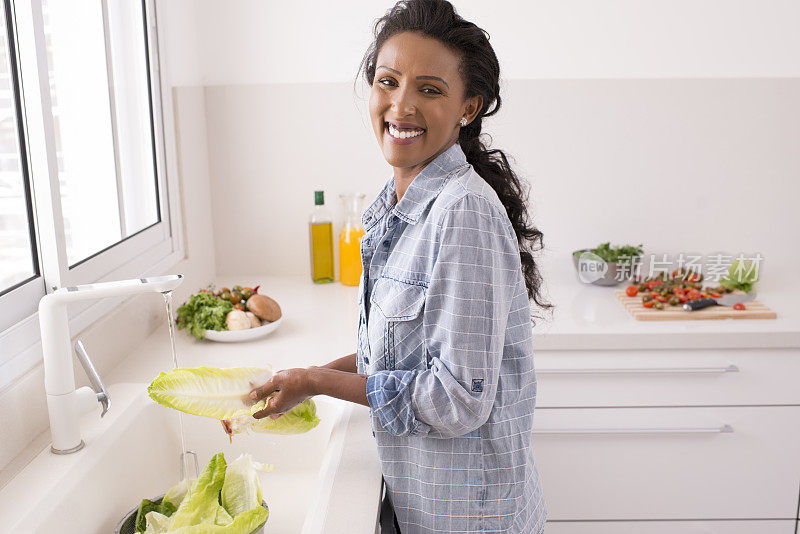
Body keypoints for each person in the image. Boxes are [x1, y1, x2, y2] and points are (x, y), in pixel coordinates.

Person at [248, 0, 552, 532]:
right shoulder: (397, 206)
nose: (401, 105)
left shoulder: (464, 212)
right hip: (424, 507)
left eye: (430, 90)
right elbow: (395, 356)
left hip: (468, 519)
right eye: (388, 81)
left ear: (468, 107)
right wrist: (307, 376)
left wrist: (318, 380)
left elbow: (455, 399)